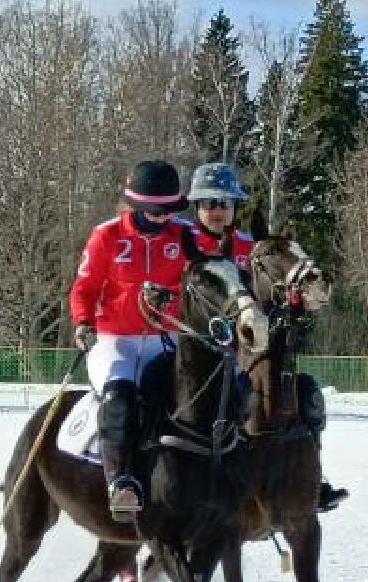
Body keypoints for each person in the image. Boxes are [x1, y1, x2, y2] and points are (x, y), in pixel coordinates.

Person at [184, 162, 347, 513]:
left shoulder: (252, 247)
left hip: (252, 349)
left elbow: (274, 288)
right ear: (196, 207)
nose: (218, 211)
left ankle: (310, 479)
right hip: (198, 350)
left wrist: (295, 302)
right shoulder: (182, 242)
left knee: (308, 396)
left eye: (225, 203)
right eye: (209, 203)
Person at [69, 160, 193, 521]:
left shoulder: (184, 234)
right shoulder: (106, 236)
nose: (162, 218)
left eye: (169, 210)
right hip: (116, 340)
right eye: (155, 211)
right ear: (135, 205)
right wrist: (82, 323)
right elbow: (85, 288)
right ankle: (120, 481)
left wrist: (172, 295)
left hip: (168, 337)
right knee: (120, 395)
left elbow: (206, 278)